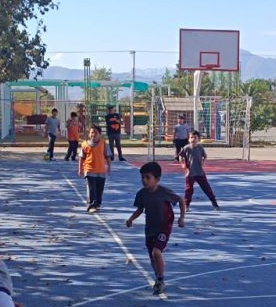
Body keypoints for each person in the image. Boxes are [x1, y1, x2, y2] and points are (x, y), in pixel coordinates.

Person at [126, 162, 186, 295]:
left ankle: (160, 280)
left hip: (164, 226)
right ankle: (158, 277)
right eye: (142, 177)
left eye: (148, 177)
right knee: (152, 257)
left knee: (156, 252)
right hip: (150, 228)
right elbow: (140, 209)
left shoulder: (164, 192)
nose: (144, 180)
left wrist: (182, 217)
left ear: (157, 179)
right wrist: (131, 219)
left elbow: (181, 200)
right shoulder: (141, 194)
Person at [178, 130, 220, 211]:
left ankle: (214, 202)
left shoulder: (200, 148)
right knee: (188, 190)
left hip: (200, 172)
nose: (193, 139)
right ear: (188, 139)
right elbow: (180, 156)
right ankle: (186, 205)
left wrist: (202, 162)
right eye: (191, 137)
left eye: (195, 137)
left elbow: (205, 156)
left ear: (198, 139)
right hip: (190, 173)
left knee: (207, 188)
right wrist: (182, 164)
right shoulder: (186, 148)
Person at [79, 125, 113, 213]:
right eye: (91, 132)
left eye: (95, 132)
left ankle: (97, 204)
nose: (93, 134)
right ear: (89, 134)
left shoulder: (103, 144)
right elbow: (81, 158)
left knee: (99, 189)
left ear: (99, 134)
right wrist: (80, 169)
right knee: (91, 189)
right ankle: (91, 205)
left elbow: (108, 156)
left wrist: (109, 167)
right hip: (89, 170)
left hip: (101, 171)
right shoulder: (85, 144)